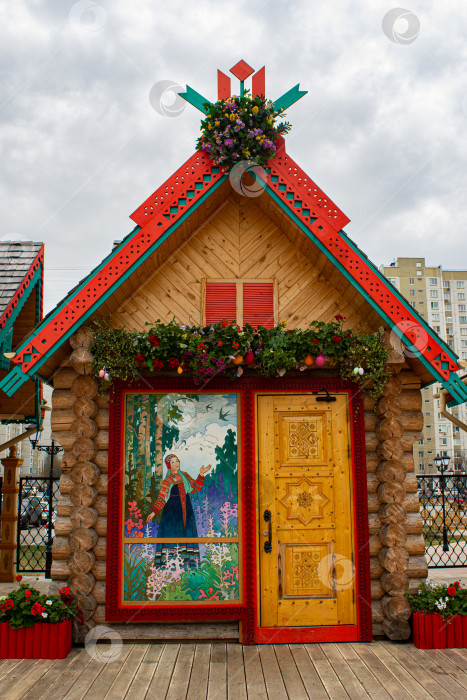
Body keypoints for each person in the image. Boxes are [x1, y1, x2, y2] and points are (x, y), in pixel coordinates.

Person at [146, 454, 211, 567]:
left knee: (187, 533)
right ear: (169, 466)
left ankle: (189, 564)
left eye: (177, 461)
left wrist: (201, 474)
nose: (176, 463)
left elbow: (195, 488)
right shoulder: (168, 480)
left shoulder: (185, 476)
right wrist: (154, 512)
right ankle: (170, 564)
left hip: (186, 509)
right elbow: (162, 497)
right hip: (172, 513)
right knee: (173, 534)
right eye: (173, 462)